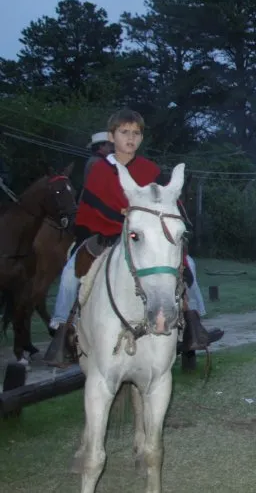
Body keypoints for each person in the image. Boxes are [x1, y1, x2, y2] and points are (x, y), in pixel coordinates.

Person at [46, 109, 220, 364]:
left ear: (141, 138)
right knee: (71, 272)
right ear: (112, 136)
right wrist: (122, 218)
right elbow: (93, 208)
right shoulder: (99, 170)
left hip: (147, 239)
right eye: (124, 132)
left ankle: (193, 322)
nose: (130, 138)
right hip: (106, 236)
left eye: (136, 133)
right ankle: (63, 330)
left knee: (188, 264)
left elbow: (168, 202)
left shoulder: (150, 170)